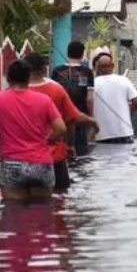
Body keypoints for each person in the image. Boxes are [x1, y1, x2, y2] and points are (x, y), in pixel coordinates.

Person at [0, 59, 66, 202]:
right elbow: (61, 129)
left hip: (11, 163)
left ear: (8, 78)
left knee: (13, 214)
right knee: (42, 213)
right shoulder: (44, 100)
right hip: (41, 164)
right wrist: (46, 141)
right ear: (29, 78)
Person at [23, 52, 98, 192]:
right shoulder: (56, 89)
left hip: (18, 160)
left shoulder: (12, 92)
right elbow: (71, 119)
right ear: (44, 69)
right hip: (53, 157)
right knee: (59, 199)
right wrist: (71, 144)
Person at [50, 40, 95, 157]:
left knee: (62, 152)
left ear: (67, 52)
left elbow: (52, 96)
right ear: (82, 54)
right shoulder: (87, 72)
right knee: (81, 156)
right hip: (80, 116)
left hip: (60, 119)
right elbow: (89, 99)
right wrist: (90, 117)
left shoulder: (57, 71)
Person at [92, 53, 137, 144]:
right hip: (124, 132)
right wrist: (129, 112)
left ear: (97, 68)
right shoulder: (123, 80)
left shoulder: (93, 84)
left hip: (102, 134)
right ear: (113, 66)